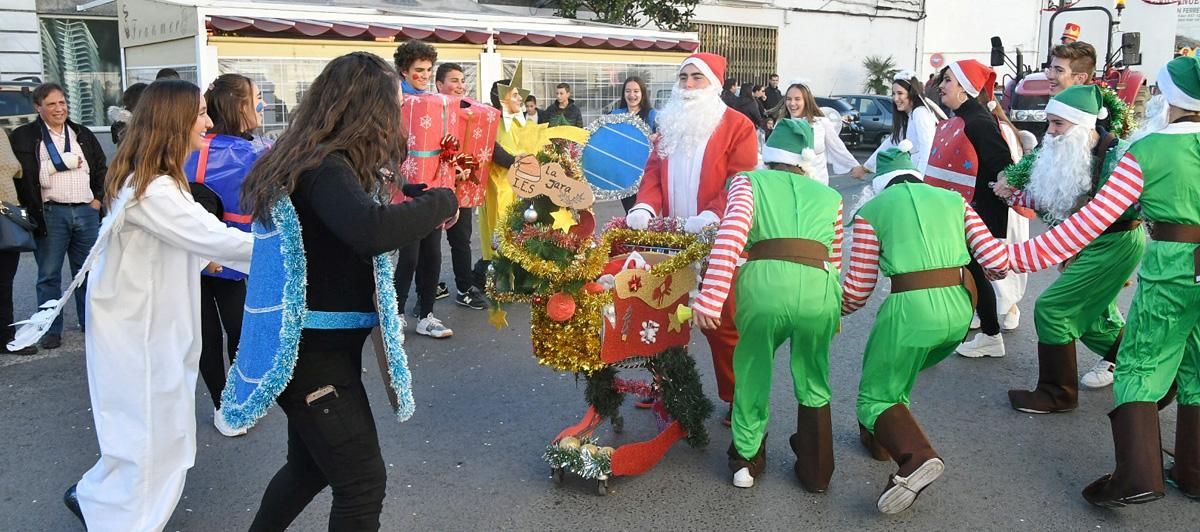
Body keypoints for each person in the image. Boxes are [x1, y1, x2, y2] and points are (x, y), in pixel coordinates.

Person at [236, 52, 458, 530]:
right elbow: (369, 230)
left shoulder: (321, 161)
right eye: (392, 105)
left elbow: (356, 216)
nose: (396, 118)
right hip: (313, 360)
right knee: (361, 484)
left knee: (308, 468)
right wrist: (443, 198)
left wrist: (414, 198)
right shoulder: (324, 166)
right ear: (365, 108)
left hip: (318, 353)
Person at [24, 79, 255, 531]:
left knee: (141, 430)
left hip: (143, 324)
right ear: (174, 122)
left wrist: (201, 256)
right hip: (141, 331)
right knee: (151, 434)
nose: (207, 123)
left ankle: (96, 497)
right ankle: (125, 522)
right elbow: (214, 237)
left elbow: (188, 241)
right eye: (201, 113)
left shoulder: (155, 179)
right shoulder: (156, 189)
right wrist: (295, 249)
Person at [1004, 56, 1200, 508]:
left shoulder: (1147, 150)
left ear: (1169, 99)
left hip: (1172, 263)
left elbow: (1092, 220)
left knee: (1139, 364)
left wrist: (1018, 255)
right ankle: (1192, 470)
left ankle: (1137, 476)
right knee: (1196, 361)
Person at [843, 144, 1009, 514]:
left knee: (875, 395)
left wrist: (833, 311)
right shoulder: (954, 200)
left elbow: (858, 289)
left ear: (881, 184)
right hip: (959, 310)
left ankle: (916, 457)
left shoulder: (872, 211)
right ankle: (883, 442)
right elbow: (995, 259)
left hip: (911, 309)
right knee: (897, 373)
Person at [692, 118, 843, 491]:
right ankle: (817, 469)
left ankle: (745, 459)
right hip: (818, 291)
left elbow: (731, 236)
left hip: (765, 288)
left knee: (753, 367)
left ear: (769, 154)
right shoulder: (830, 197)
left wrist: (710, 297)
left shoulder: (748, 182)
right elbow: (835, 257)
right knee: (814, 375)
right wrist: (834, 310)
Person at [996, 85, 1149, 414]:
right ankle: (1141, 364)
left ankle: (1057, 393)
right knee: (1093, 320)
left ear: (1082, 126)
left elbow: (1096, 216)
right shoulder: (1075, 151)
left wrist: (1024, 257)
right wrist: (1014, 195)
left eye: (1058, 124)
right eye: (1049, 123)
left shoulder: (1119, 156)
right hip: (1090, 241)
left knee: (1053, 309)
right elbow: (1057, 200)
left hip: (1115, 242)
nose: (1049, 132)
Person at [625, 53, 758, 425]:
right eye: (683, 77)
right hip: (670, 240)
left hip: (719, 239)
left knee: (722, 324)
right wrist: (645, 208)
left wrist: (711, 216)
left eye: (696, 78)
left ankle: (736, 398)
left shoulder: (738, 126)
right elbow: (653, 172)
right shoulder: (667, 125)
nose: (687, 86)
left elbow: (740, 178)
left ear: (714, 84)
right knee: (662, 317)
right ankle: (666, 388)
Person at [182, 73, 269, 437]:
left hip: (190, 256)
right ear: (239, 106)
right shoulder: (256, 152)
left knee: (206, 336)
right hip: (234, 256)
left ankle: (223, 405)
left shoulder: (185, 148)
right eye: (258, 97)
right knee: (236, 331)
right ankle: (233, 404)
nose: (263, 103)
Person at [922, 60, 1013, 359]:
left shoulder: (978, 121)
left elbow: (1004, 167)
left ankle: (989, 334)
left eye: (947, 80)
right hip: (963, 210)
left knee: (970, 270)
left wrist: (999, 187)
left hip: (976, 210)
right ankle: (986, 330)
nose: (942, 86)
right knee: (967, 270)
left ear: (964, 87)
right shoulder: (963, 118)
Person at [9, 83, 107, 350]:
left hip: (86, 211)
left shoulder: (81, 133)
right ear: (38, 107)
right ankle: (51, 329)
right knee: (49, 275)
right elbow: (20, 176)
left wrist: (97, 200)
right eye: (51, 104)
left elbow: (100, 167)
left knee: (87, 272)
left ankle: (91, 324)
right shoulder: (24, 137)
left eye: (62, 102)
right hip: (50, 212)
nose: (59, 109)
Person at [393, 40, 453, 337]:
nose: (425, 75)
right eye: (419, 70)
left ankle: (427, 314)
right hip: (405, 188)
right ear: (404, 70)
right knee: (410, 255)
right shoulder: (393, 103)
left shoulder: (438, 103)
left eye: (429, 70)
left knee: (433, 255)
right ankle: (397, 313)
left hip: (434, 186)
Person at [479, 62, 545, 291]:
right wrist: (516, 161)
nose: (520, 100)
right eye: (515, 95)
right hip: (500, 187)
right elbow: (495, 151)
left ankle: (522, 275)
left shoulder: (522, 121)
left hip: (522, 186)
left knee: (524, 228)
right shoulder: (492, 122)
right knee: (502, 230)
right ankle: (500, 277)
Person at [435, 62, 490, 310]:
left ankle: (464, 289)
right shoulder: (431, 111)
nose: (460, 85)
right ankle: (428, 290)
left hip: (462, 186)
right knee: (429, 243)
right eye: (453, 80)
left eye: (461, 80)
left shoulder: (471, 113)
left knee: (461, 240)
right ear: (439, 85)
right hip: (434, 188)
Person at [775, 81, 865, 185]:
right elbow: (771, 156)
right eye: (789, 99)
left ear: (806, 101)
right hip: (789, 185)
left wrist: (855, 166)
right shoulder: (781, 125)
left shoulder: (821, 123)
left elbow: (837, 148)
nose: (792, 103)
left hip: (817, 185)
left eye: (797, 99)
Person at [860, 71, 939, 177]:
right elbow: (892, 141)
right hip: (915, 171)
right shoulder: (910, 116)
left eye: (900, 93)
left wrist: (921, 180)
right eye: (893, 94)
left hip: (922, 175)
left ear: (911, 93)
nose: (895, 98)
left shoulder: (920, 113)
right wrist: (866, 167)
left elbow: (927, 149)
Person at [0, 128, 35, 355]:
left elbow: (14, 168)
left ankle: (6, 337)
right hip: (5, 212)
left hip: (6, 214)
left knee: (4, 283)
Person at [612, 76, 658, 213]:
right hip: (625, 176)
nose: (632, 95)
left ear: (642, 93)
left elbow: (664, 140)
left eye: (636, 91)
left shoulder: (652, 115)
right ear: (623, 94)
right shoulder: (615, 115)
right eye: (628, 91)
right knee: (630, 213)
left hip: (647, 175)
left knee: (645, 213)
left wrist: (656, 138)